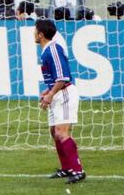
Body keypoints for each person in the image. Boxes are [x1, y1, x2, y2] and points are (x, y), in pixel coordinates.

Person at [34, 19, 86, 184]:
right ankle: (67, 168)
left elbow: (63, 77)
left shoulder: (53, 49)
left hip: (64, 94)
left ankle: (78, 170)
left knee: (61, 132)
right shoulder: (47, 51)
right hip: (57, 93)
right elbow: (56, 78)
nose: (33, 33)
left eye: (35, 31)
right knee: (54, 132)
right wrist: (48, 91)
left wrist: (51, 94)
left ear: (41, 34)